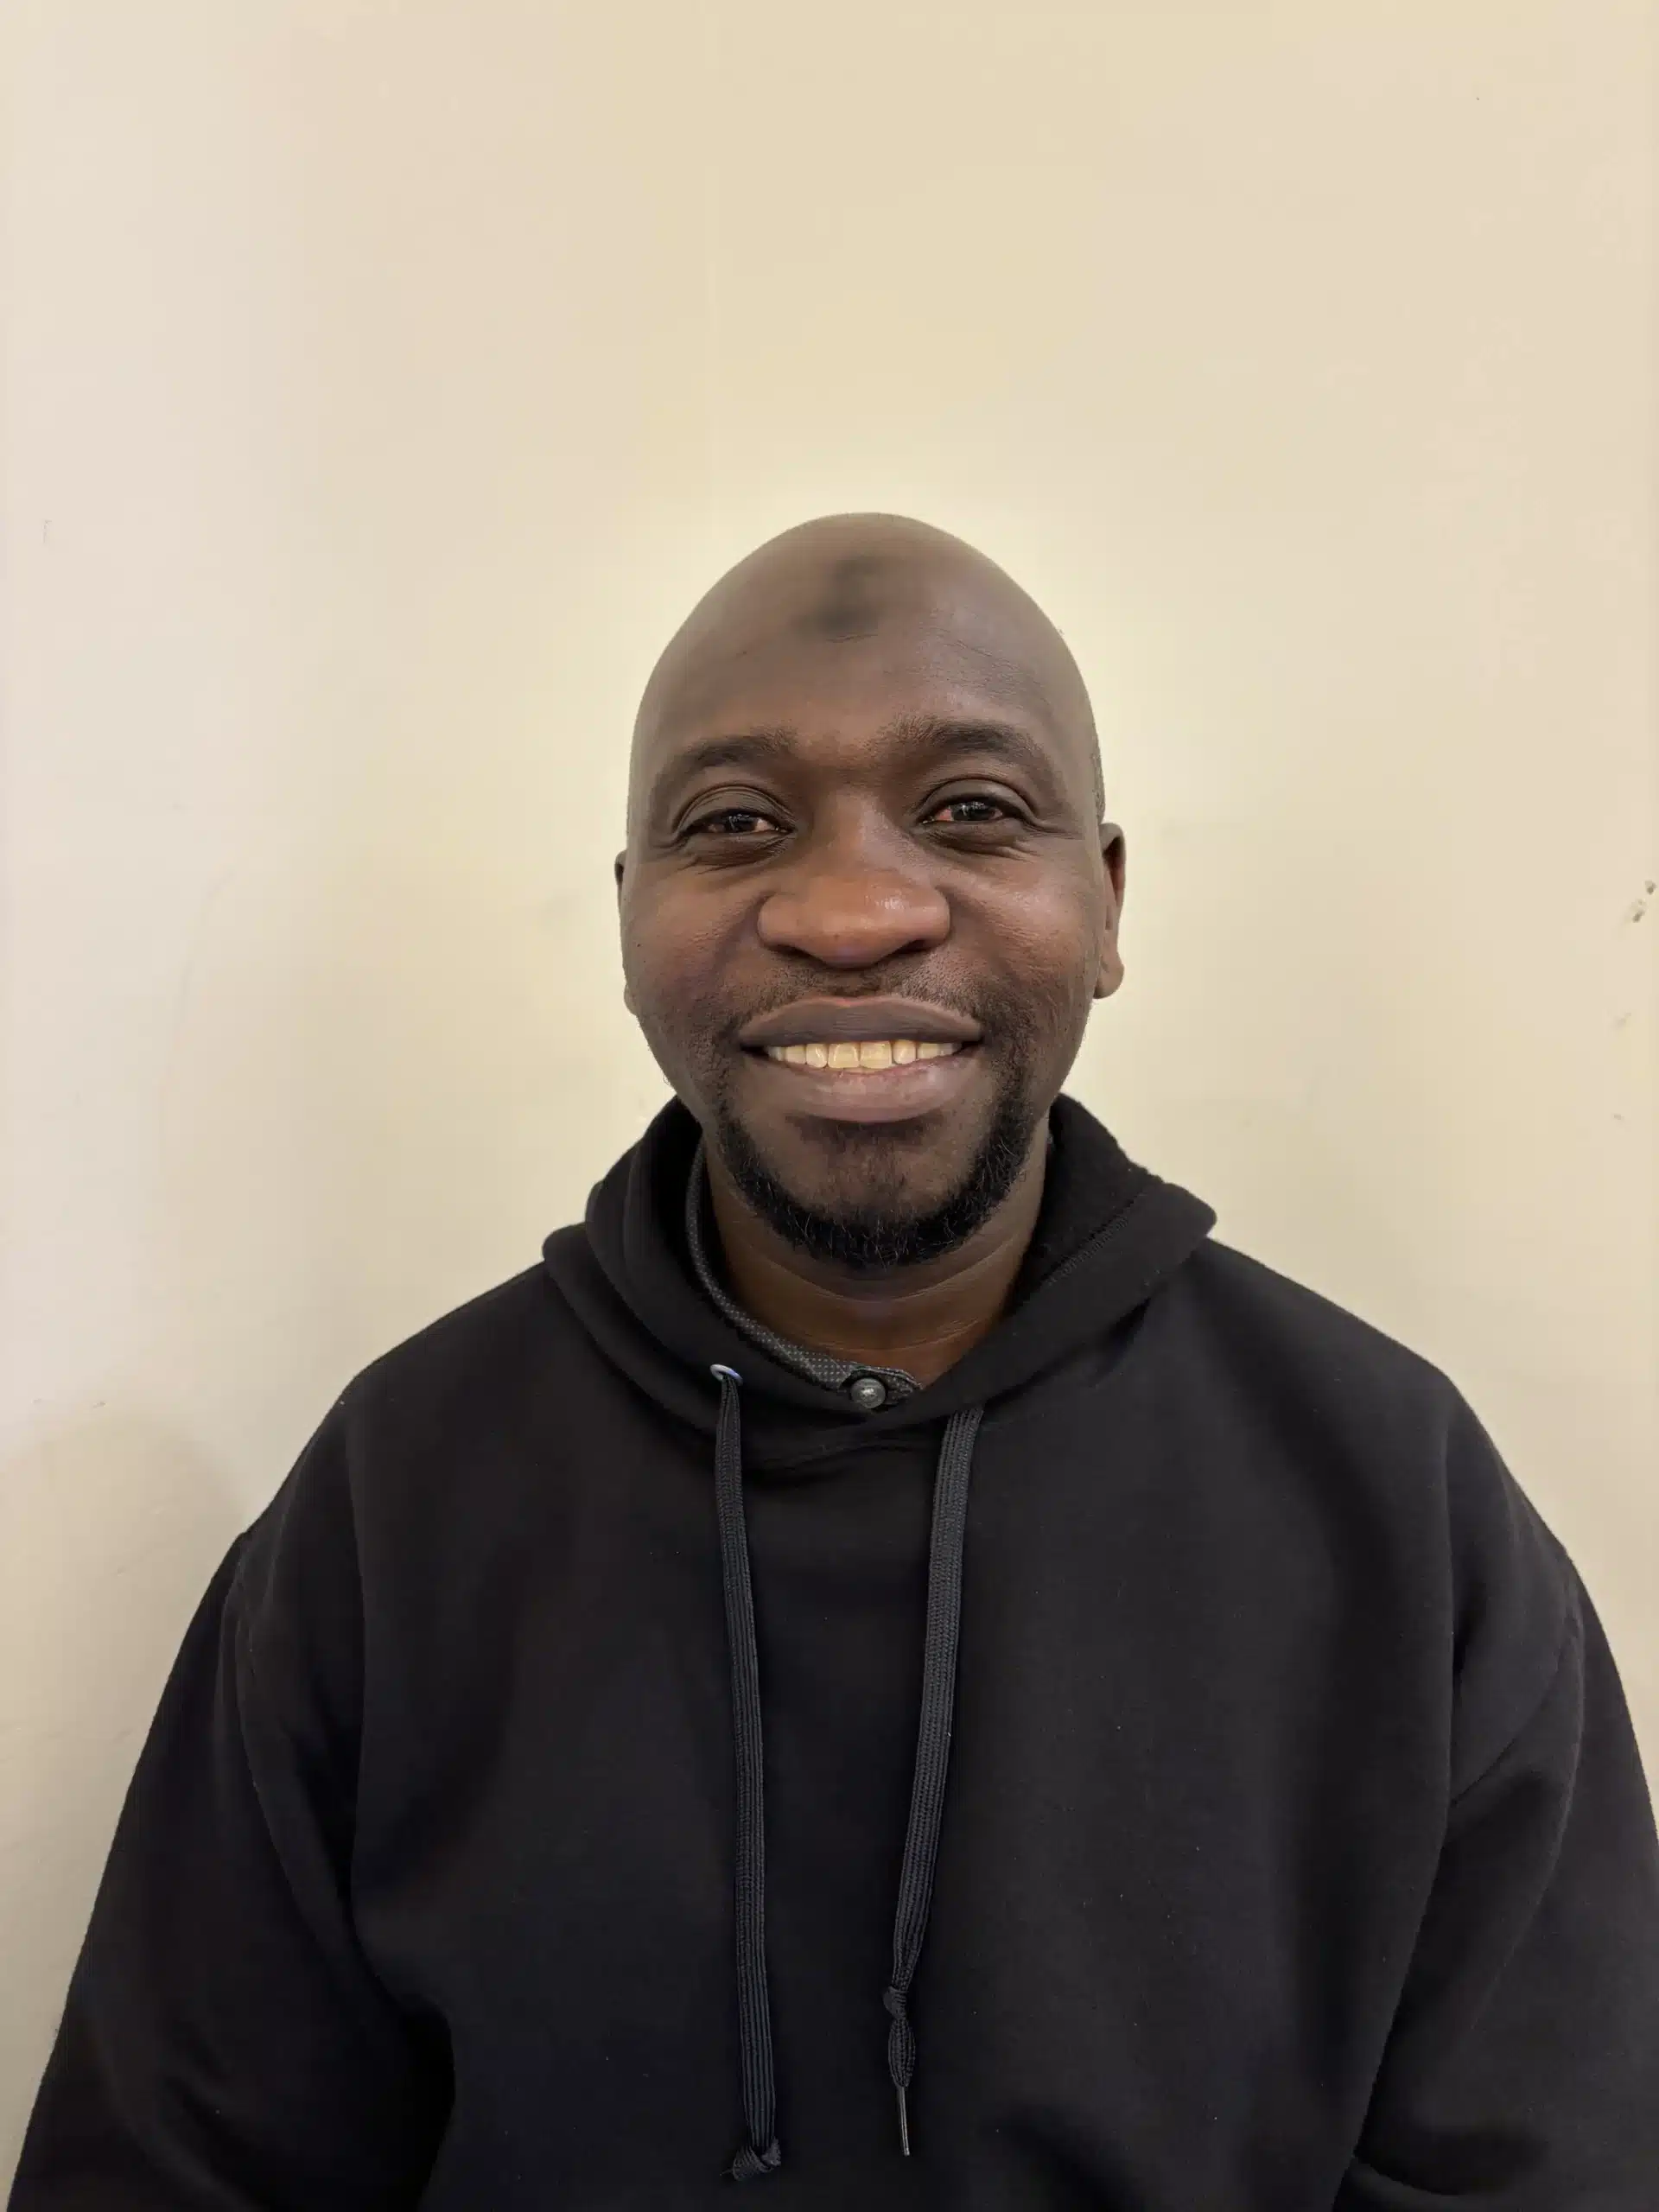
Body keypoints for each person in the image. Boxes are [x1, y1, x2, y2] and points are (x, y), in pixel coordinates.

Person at [12, 514, 1658, 2210]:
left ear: (1105, 900)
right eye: (737, 822)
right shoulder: (398, 1499)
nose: (858, 909)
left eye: (972, 809)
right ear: (631, 916)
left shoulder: (1392, 1498)